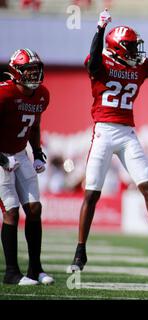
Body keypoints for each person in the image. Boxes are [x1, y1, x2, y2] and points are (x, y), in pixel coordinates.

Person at [69, 9, 148, 271]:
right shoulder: (100, 63)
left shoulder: (138, 67)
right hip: (103, 132)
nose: (136, 51)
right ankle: (80, 251)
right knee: (91, 194)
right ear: (118, 48)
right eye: (130, 47)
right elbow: (94, 60)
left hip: (128, 132)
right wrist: (99, 29)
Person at [0, 48, 54, 285]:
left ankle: (36, 269)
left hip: (20, 154)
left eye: (36, 70)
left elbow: (34, 125)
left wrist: (38, 153)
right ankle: (11, 272)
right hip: (2, 156)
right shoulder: (4, 93)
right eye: (28, 70)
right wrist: (2, 159)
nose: (34, 75)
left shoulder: (42, 94)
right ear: (16, 71)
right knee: (11, 210)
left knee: (34, 209)